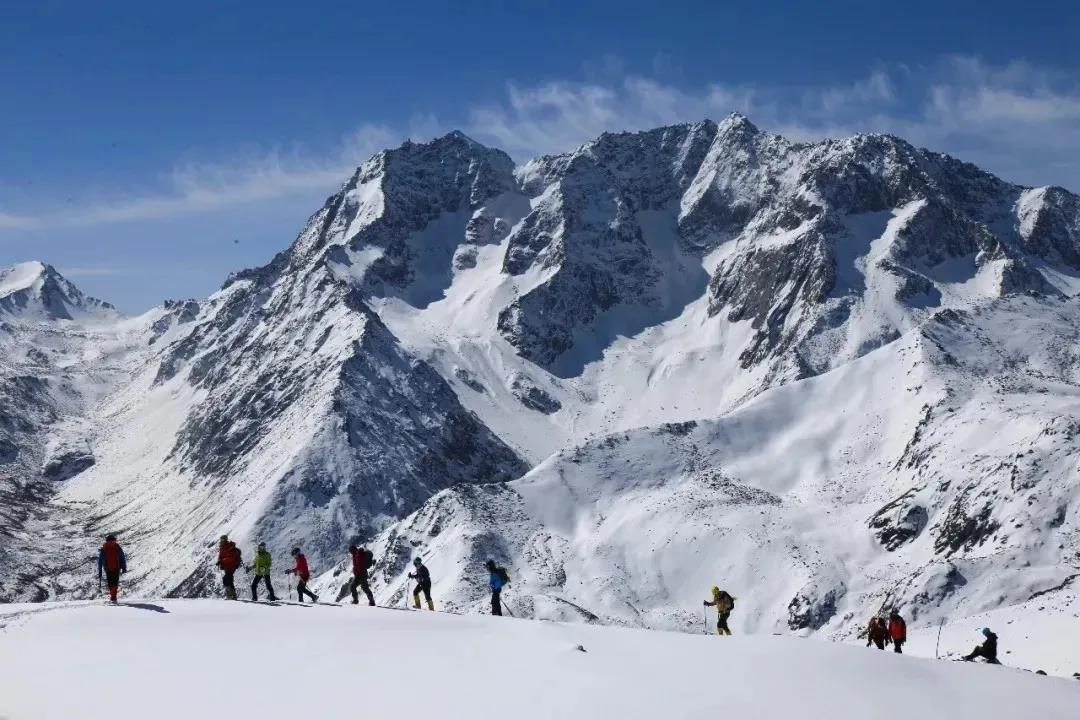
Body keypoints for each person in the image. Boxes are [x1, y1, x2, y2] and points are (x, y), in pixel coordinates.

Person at [97, 534, 127, 604]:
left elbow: (100, 561)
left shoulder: (104, 549)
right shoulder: (117, 548)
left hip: (108, 568)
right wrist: (124, 567)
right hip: (117, 568)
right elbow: (122, 558)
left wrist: (100, 570)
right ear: (114, 540)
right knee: (115, 582)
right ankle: (114, 596)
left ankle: (113, 596)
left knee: (110, 583)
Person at [216, 535, 241, 600]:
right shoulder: (222, 547)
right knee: (229, 580)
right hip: (226, 567)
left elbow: (231, 558)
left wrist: (221, 561)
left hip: (232, 566)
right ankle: (233, 596)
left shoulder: (230, 547)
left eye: (223, 539)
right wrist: (219, 561)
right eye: (221, 539)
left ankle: (230, 595)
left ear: (226, 539)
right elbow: (220, 556)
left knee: (225, 579)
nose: (222, 541)